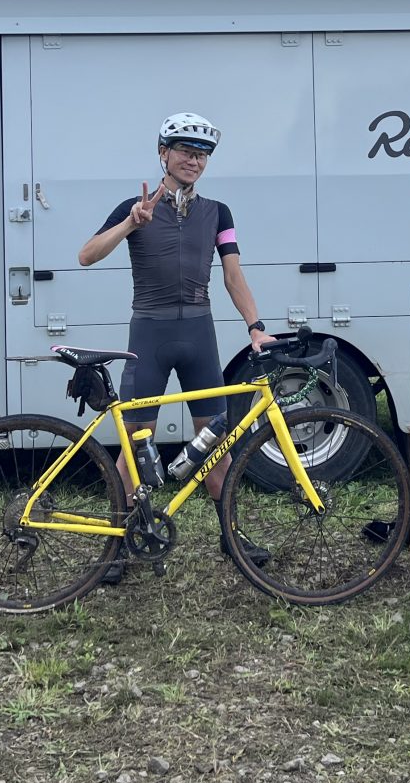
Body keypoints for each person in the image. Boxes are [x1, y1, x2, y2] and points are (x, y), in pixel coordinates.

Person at [78, 112, 276, 582]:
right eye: (186, 151)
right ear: (163, 153)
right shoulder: (134, 207)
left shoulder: (218, 213)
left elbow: (232, 274)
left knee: (217, 443)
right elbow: (86, 255)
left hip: (199, 335)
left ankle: (232, 537)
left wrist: (256, 326)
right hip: (150, 333)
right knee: (135, 447)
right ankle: (116, 546)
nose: (195, 161)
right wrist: (130, 223)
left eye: (202, 155)